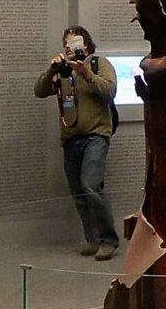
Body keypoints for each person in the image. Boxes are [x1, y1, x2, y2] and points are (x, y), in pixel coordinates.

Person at [36, 25, 119, 259]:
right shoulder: (63, 73)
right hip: (71, 139)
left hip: (96, 135)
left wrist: (86, 73)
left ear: (86, 45)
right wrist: (51, 69)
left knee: (90, 185)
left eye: (75, 43)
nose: (70, 48)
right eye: (66, 45)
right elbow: (39, 91)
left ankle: (109, 240)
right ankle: (92, 239)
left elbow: (110, 90)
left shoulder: (98, 64)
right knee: (79, 194)